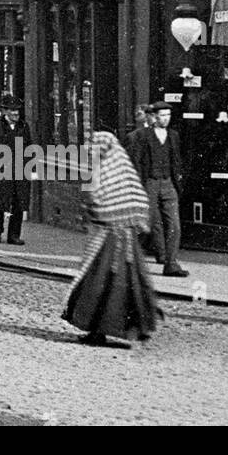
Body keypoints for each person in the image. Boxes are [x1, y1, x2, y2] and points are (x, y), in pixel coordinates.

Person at [61, 128, 159, 346]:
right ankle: (127, 329)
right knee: (125, 284)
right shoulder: (124, 168)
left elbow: (93, 198)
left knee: (99, 284)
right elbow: (138, 200)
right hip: (126, 242)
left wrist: (92, 209)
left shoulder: (100, 169)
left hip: (106, 240)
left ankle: (98, 330)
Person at [125, 101, 189, 277]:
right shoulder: (140, 136)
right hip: (150, 183)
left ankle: (171, 264)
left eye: (169, 116)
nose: (166, 120)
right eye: (162, 116)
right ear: (153, 117)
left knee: (174, 224)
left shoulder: (173, 135)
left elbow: (177, 160)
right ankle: (152, 257)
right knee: (153, 223)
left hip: (168, 183)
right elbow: (135, 162)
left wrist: (178, 182)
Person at [0, 95, 30, 246]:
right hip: (2, 170)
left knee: (19, 203)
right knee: (0, 203)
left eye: (17, 110)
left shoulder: (24, 127)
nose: (16, 113)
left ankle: (14, 235)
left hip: (20, 171)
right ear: (5, 111)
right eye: (12, 110)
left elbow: (29, 148)